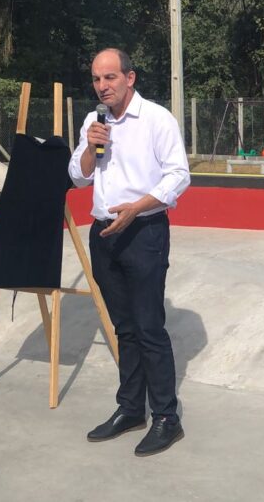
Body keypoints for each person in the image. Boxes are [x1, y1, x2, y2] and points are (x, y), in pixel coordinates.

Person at [68, 48, 191, 456]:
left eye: (110, 77)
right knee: (124, 328)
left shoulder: (156, 119)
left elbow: (179, 175)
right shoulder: (94, 120)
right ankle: (131, 408)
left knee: (148, 327)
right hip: (104, 235)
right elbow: (78, 176)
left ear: (130, 78)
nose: (102, 86)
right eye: (96, 79)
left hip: (144, 232)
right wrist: (91, 146)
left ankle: (166, 417)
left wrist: (138, 207)